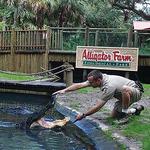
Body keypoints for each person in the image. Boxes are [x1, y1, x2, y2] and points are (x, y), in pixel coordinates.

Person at [54, 70, 144, 121]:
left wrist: (84, 114)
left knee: (125, 89)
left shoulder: (109, 86)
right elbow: (80, 85)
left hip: (135, 91)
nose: (89, 84)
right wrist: (64, 90)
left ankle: (125, 113)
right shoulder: (98, 78)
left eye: (91, 82)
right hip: (123, 96)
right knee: (114, 116)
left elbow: (98, 106)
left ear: (98, 81)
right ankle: (136, 109)